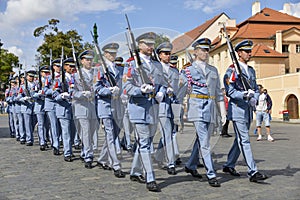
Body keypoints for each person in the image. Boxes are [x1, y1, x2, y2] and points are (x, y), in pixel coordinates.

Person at [123, 32, 166, 192]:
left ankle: (135, 171)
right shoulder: (131, 65)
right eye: (146, 43)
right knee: (146, 144)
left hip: (153, 108)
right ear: (139, 45)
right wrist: (140, 89)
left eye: (151, 43)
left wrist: (161, 92)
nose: (150, 46)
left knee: (144, 143)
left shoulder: (157, 65)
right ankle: (150, 177)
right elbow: (126, 87)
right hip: (138, 108)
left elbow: (161, 83)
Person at [181, 38, 226, 187]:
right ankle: (211, 174)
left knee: (201, 140)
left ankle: (190, 165)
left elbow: (219, 93)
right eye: (202, 50)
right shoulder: (188, 70)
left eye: (207, 50)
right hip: (197, 106)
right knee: (205, 142)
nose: (206, 52)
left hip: (211, 108)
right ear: (195, 52)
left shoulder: (213, 70)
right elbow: (180, 91)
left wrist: (223, 112)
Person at [222, 39, 268, 182]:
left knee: (240, 139)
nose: (249, 53)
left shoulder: (251, 70)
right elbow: (230, 91)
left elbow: (254, 88)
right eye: (246, 51)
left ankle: (229, 164)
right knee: (245, 140)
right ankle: (253, 171)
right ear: (238, 53)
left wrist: (254, 96)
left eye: (250, 51)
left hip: (248, 109)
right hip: (237, 110)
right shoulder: (232, 70)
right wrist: (243, 95)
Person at [95, 43, 126, 178]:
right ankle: (116, 165)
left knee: (114, 135)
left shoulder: (119, 69)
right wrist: (108, 90)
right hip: (105, 105)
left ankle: (102, 159)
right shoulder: (100, 70)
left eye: (114, 53)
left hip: (117, 105)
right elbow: (96, 88)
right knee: (109, 134)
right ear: (105, 54)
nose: (113, 55)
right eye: (110, 53)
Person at [154, 42, 178, 175]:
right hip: (161, 105)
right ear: (159, 55)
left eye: (169, 53)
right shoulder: (155, 69)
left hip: (173, 106)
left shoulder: (174, 71)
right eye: (165, 53)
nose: (168, 56)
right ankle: (171, 163)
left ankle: (158, 156)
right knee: (167, 134)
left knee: (167, 134)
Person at [72, 50, 99, 169]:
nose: (89, 61)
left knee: (92, 132)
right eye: (87, 59)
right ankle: (88, 156)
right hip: (81, 107)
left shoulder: (96, 73)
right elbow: (72, 92)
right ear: (82, 61)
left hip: (93, 106)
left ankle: (84, 151)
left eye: (90, 59)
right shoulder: (76, 75)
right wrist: (82, 94)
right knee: (86, 132)